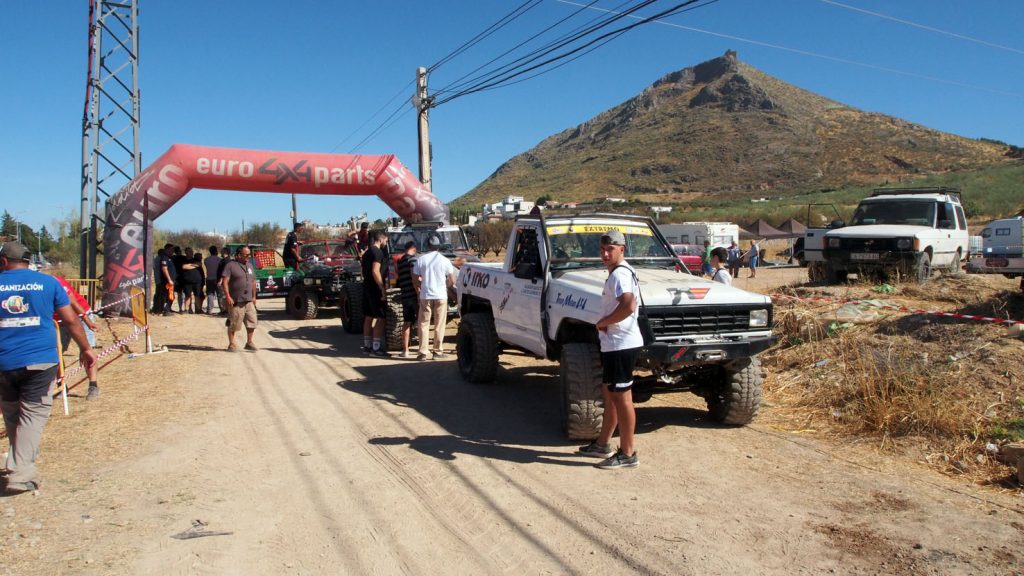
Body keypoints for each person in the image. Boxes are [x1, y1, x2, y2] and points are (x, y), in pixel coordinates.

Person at [1, 242, 97, 494]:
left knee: (12, 413)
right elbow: (70, 319)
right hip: (40, 359)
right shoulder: (49, 283)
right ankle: (21, 472)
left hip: (4, 361)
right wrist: (85, 348)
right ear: (29, 261)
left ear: (3, 262)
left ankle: (19, 462)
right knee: (33, 414)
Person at [577, 230, 641, 470]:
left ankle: (627, 452)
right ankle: (603, 443)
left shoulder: (619, 275)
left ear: (621, 250)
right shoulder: (619, 272)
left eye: (610, 249)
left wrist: (603, 322)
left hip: (620, 344)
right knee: (610, 393)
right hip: (615, 344)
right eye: (602, 249)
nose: (605, 254)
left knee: (622, 397)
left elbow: (628, 304)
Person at [53, 276, 101, 399]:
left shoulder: (54, 282)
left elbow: (73, 302)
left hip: (80, 313)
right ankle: (62, 386)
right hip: (59, 320)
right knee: (56, 353)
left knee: (86, 351)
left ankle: (93, 385)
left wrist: (88, 321)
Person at [412, 235, 457, 361]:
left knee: (423, 323)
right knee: (439, 324)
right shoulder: (445, 260)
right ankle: (437, 351)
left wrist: (420, 288)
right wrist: (445, 287)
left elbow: (415, 278)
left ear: (428, 246)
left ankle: (423, 352)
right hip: (441, 295)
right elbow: (452, 280)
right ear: (439, 246)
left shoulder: (421, 260)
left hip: (425, 295)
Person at [220, 246, 258, 352]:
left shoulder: (250, 265)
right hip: (236, 301)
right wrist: (227, 296)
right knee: (234, 323)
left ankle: (249, 342)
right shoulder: (230, 265)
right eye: (246, 255)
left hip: (249, 300)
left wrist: (254, 296)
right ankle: (231, 344)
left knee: (252, 321)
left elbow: (253, 281)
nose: (248, 257)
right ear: (238, 255)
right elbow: (225, 281)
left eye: (249, 255)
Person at [360, 230, 389, 357]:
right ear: (381, 239)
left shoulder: (366, 253)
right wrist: (382, 287)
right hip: (375, 288)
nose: (386, 243)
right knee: (381, 317)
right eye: (386, 240)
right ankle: (376, 349)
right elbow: (375, 271)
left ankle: (367, 346)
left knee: (368, 316)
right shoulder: (377, 253)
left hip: (366, 287)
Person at [396, 241, 419, 359]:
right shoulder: (413, 260)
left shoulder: (400, 262)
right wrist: (419, 293)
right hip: (414, 296)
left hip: (405, 296)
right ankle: (422, 349)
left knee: (406, 322)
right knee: (421, 321)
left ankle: (405, 351)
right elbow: (414, 277)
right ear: (414, 249)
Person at [151, 243, 176, 316]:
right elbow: (164, 269)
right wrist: (169, 280)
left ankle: (159, 309)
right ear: (166, 249)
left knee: (163, 295)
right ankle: (163, 310)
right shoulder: (164, 258)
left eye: (173, 250)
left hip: (166, 281)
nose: (172, 251)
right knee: (166, 296)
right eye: (171, 249)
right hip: (165, 281)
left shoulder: (170, 258)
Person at [203, 246, 223, 314]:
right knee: (219, 295)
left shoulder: (206, 259)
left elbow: (206, 266)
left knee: (210, 294)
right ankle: (222, 309)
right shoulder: (220, 260)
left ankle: (209, 310)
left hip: (209, 279)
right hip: (218, 279)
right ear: (216, 251)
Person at [172, 246, 187, 312]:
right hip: (184, 277)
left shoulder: (172, 258)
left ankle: (180, 308)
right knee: (184, 294)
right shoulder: (184, 258)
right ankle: (184, 308)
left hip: (176, 277)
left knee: (179, 294)